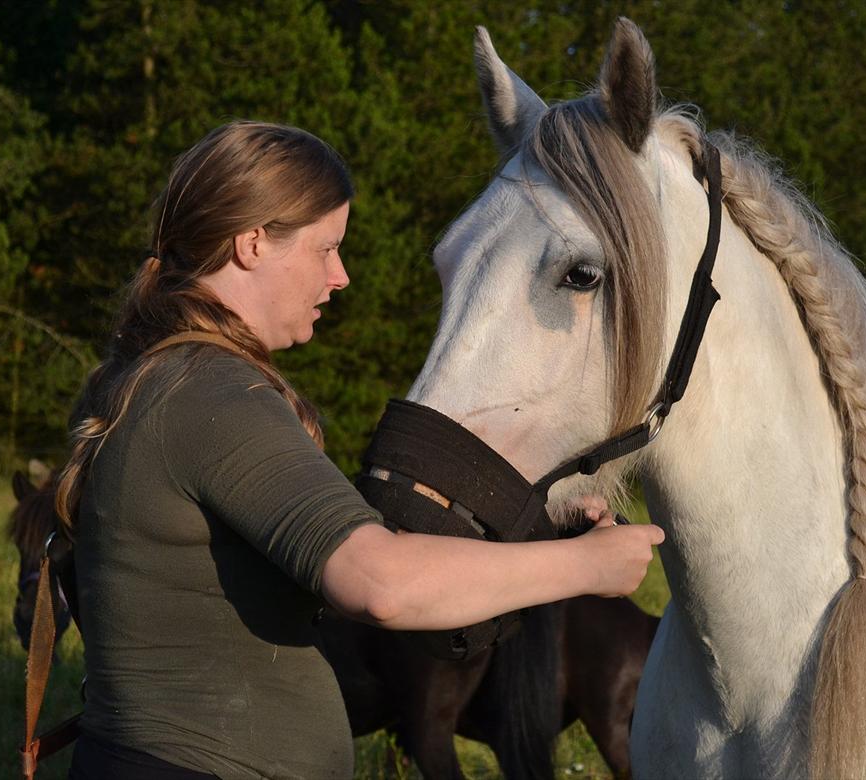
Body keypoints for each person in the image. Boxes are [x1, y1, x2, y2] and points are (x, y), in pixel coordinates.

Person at [52, 120, 664, 779]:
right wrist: (584, 568)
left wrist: (540, 527)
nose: (341, 276)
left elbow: (329, 539)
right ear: (253, 242)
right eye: (326, 248)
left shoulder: (159, 377)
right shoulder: (212, 396)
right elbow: (379, 581)